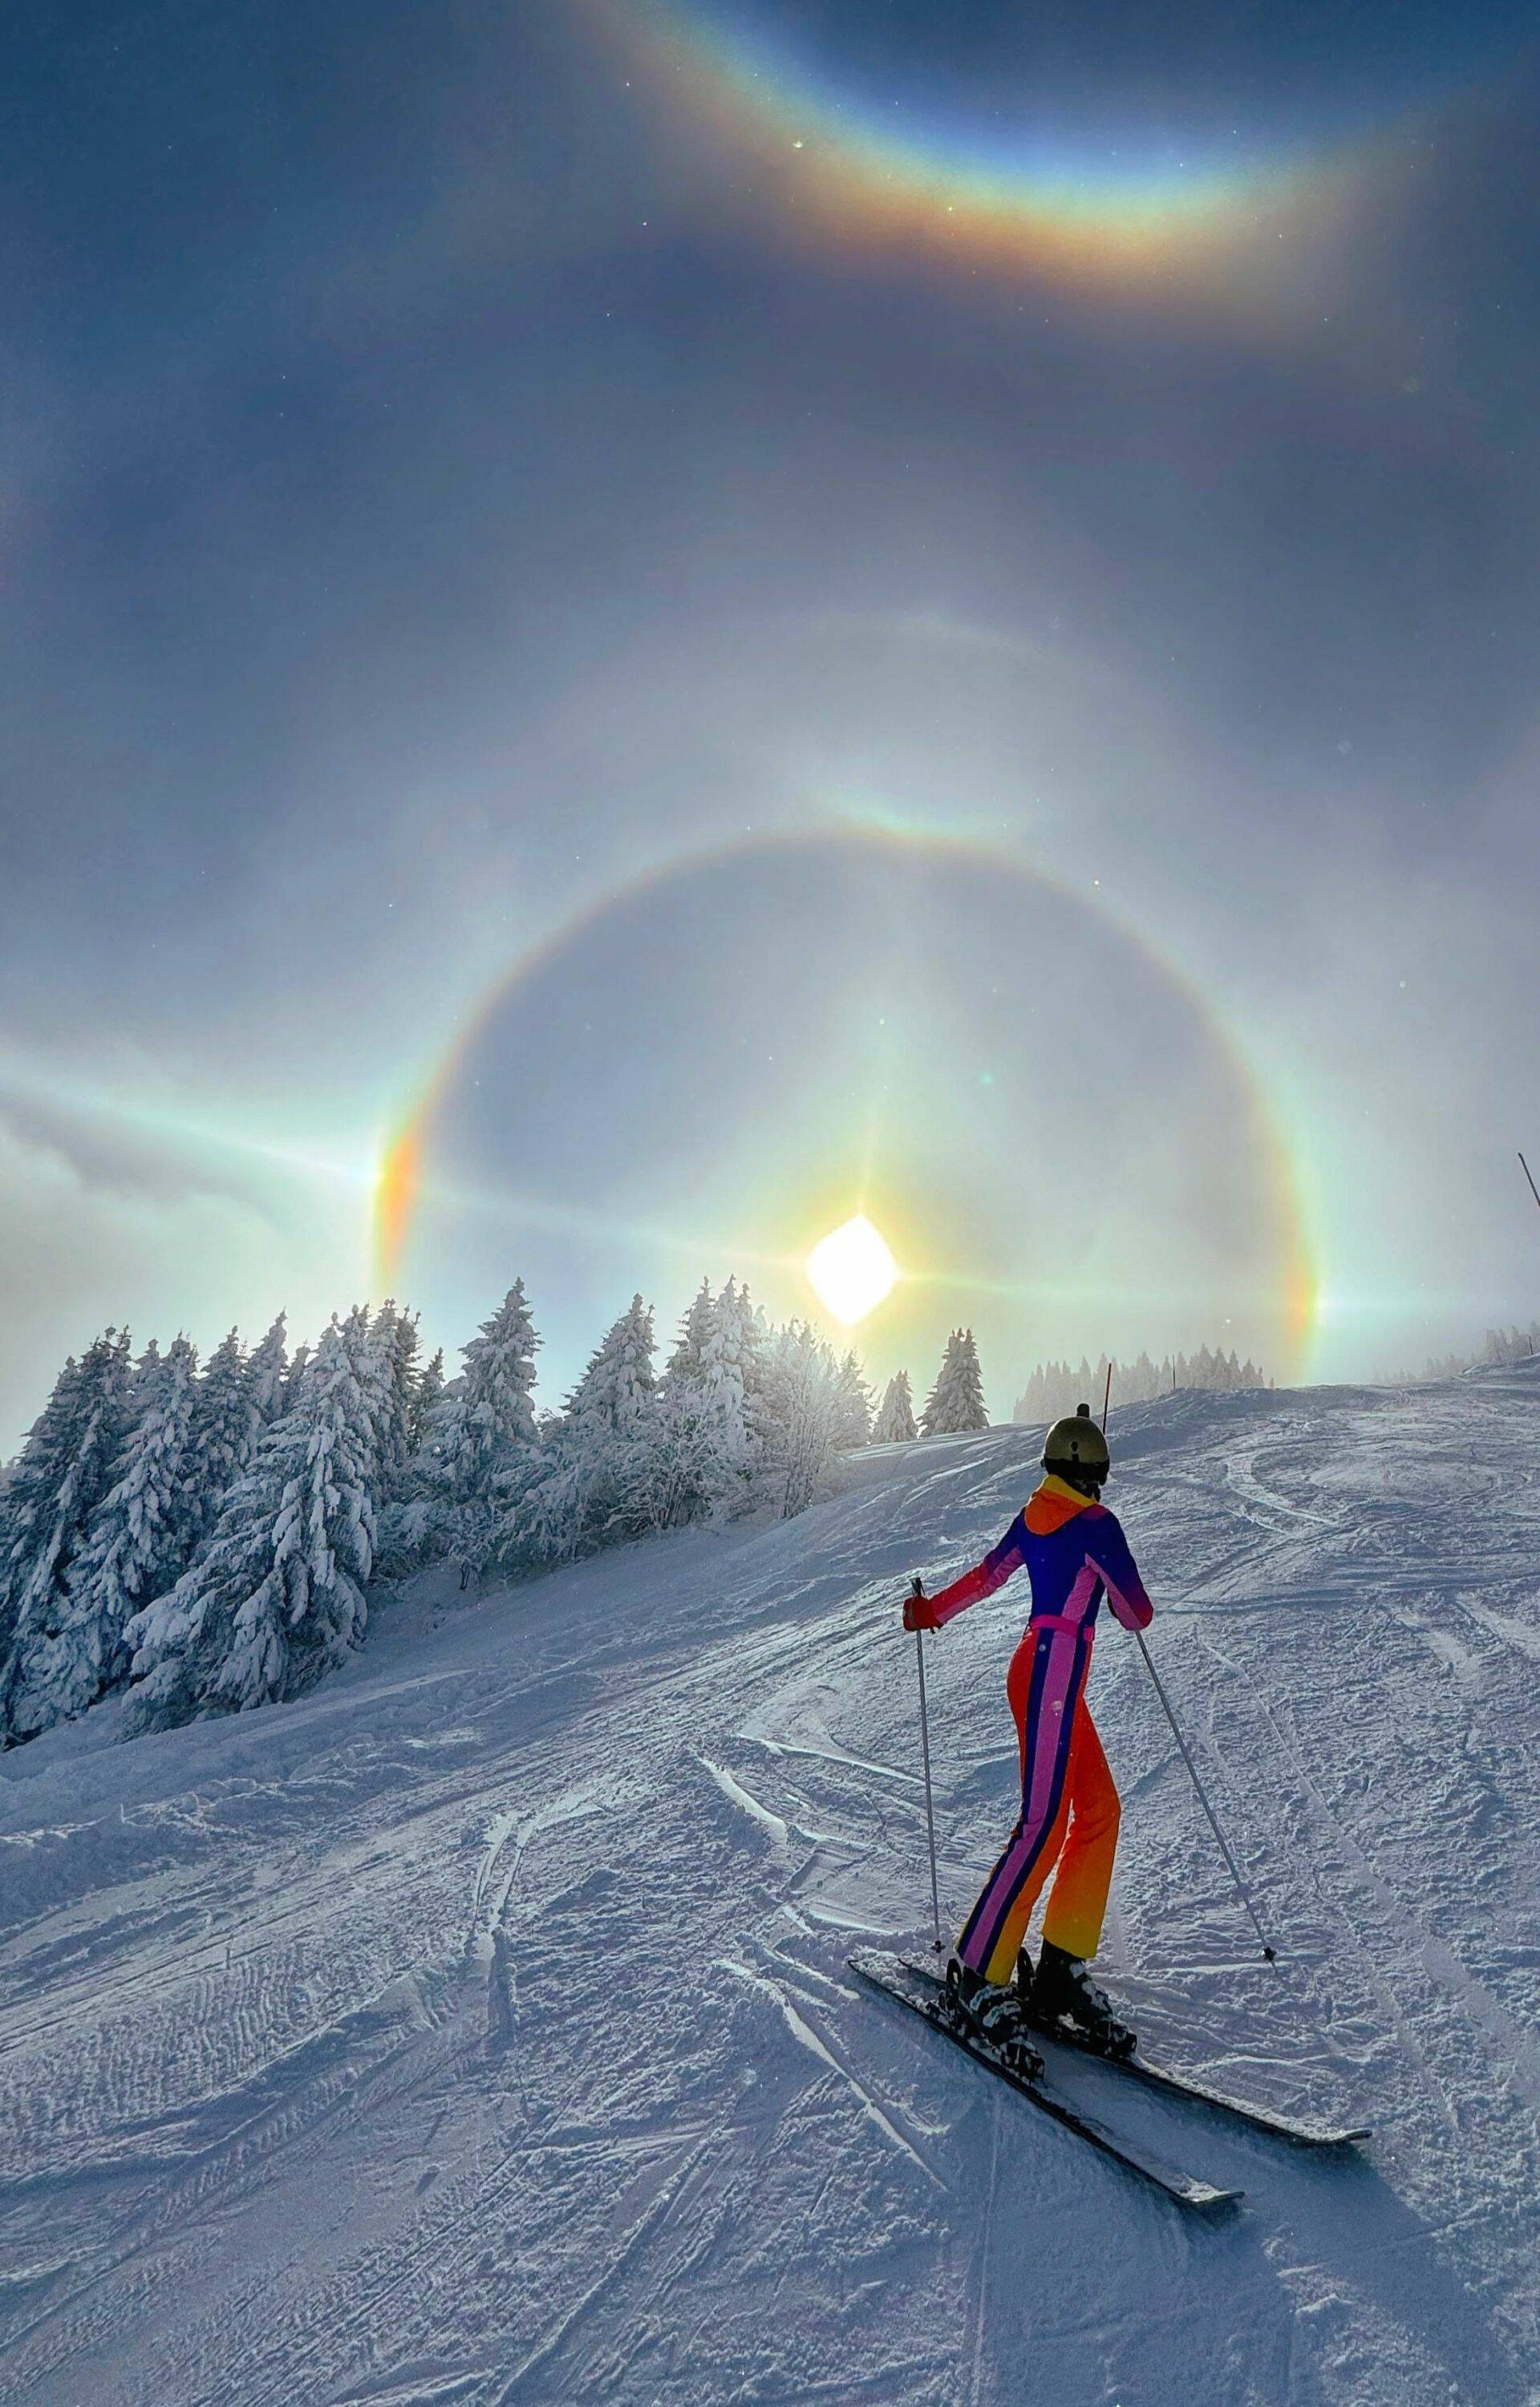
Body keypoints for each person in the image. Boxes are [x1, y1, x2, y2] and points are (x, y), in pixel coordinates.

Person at [903, 1403, 1153, 2055]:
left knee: (1099, 1808)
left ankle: (1059, 1966)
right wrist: (1107, 1563)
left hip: (1045, 1675)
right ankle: (976, 1965)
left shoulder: (1034, 1514)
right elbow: (1137, 1613)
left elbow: (987, 1578)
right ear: (1094, 1473)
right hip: (1050, 1677)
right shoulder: (1099, 1523)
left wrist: (931, 1611)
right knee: (1043, 1823)